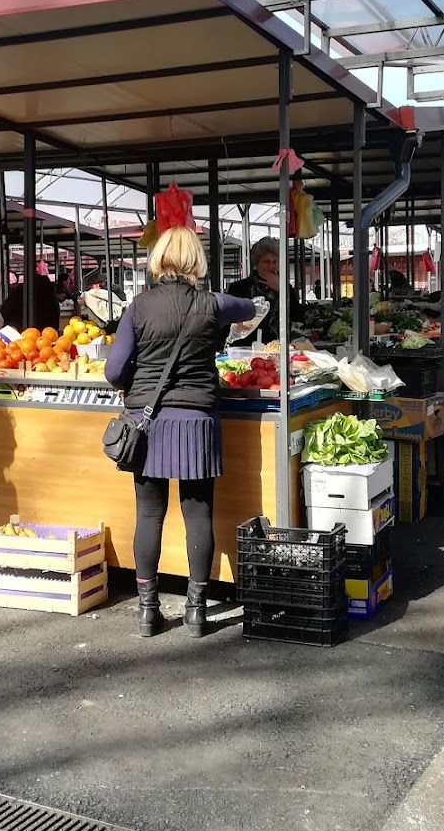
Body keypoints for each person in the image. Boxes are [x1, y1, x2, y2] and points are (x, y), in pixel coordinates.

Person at [105, 226, 256, 639]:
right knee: (199, 512)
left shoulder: (138, 306)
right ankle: (196, 612)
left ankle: (148, 611)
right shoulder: (213, 304)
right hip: (196, 420)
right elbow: (248, 306)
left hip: (146, 423)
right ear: (197, 261)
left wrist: (140, 380)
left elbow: (114, 371)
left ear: (157, 261)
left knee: (149, 514)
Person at [225, 237, 301, 346]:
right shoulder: (239, 288)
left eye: (275, 262)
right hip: (245, 347)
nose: (271, 266)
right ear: (257, 263)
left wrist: (281, 290)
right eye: (266, 262)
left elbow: (297, 315)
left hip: (278, 347)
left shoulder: (286, 288)